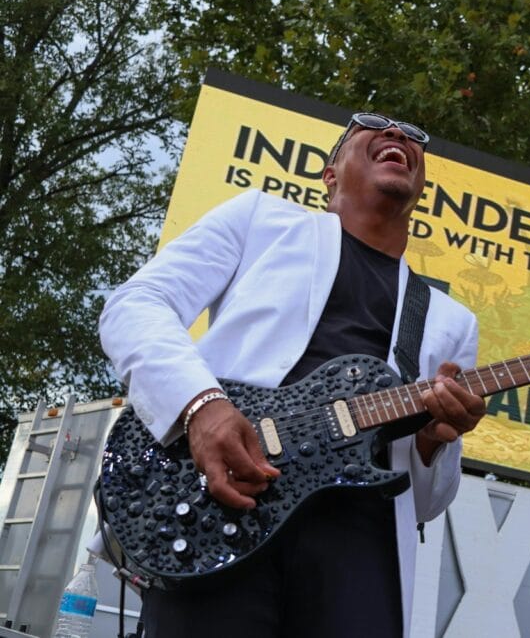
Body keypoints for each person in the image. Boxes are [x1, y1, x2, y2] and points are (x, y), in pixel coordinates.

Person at [99, 112, 486, 638]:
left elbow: (426, 501)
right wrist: (201, 405)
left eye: (414, 136)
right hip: (223, 507)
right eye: (373, 127)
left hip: (360, 548)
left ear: (419, 186)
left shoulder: (451, 322)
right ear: (330, 175)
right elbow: (136, 304)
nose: (398, 134)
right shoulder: (259, 219)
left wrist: (431, 444)